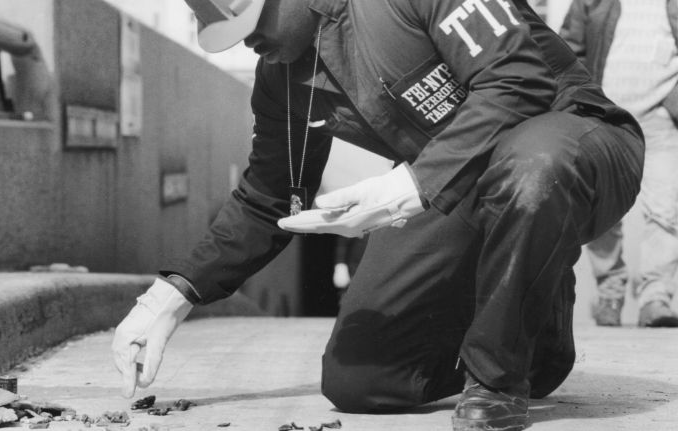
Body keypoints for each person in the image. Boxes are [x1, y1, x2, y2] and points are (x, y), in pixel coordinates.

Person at [112, 1, 644, 430]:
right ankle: (537, 335)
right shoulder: (280, 79)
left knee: (533, 167)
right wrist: (172, 295)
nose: (244, 42)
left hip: (571, 139)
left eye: (248, 21)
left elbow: (518, 82)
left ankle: (498, 381)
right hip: (460, 183)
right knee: (360, 380)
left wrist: (408, 184)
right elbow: (267, 197)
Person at [560, 0, 678, 328]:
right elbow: (567, 51)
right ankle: (610, 291)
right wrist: (584, 102)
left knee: (665, 209)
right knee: (604, 210)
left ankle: (657, 297)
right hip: (607, 117)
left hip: (659, 117)